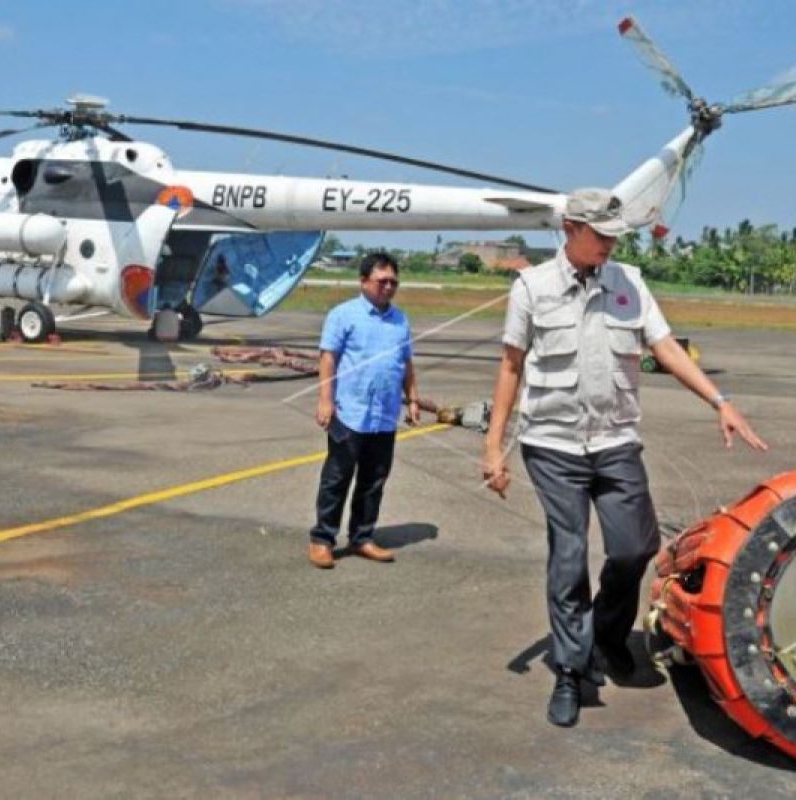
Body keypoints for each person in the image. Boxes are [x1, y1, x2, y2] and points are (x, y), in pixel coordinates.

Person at [481, 188, 768, 727]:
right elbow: (511, 367)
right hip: (553, 444)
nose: (609, 244)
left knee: (635, 548)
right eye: (599, 234)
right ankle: (570, 672)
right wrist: (493, 447)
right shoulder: (532, 288)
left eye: (614, 235)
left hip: (614, 442)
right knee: (568, 556)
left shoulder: (629, 283)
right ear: (570, 229)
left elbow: (665, 349)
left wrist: (720, 402)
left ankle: (606, 638)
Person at [308, 252, 421, 569]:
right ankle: (322, 540)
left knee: (374, 481)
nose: (388, 287)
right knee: (337, 479)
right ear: (364, 281)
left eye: (393, 282)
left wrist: (412, 398)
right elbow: (328, 359)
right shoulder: (343, 315)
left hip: (384, 417)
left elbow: (406, 363)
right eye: (382, 281)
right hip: (349, 412)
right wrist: (325, 401)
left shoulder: (401, 320)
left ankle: (362, 537)